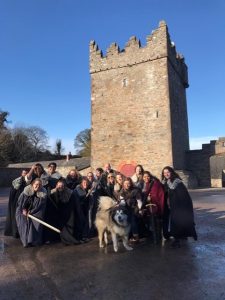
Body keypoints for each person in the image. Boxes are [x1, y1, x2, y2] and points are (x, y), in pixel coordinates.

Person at [161, 166, 198, 248]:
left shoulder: (177, 182)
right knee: (177, 222)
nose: (166, 174)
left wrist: (183, 208)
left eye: (168, 172)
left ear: (171, 172)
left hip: (180, 206)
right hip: (173, 206)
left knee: (176, 222)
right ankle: (181, 236)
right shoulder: (167, 182)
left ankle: (177, 240)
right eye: (164, 173)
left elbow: (184, 196)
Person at [44, 179, 81, 245]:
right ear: (56, 186)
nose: (60, 187)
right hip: (57, 213)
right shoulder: (52, 193)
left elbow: (70, 204)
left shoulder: (69, 193)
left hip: (67, 212)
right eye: (59, 185)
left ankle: (68, 239)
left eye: (62, 185)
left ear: (64, 186)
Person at [16, 178, 47, 247]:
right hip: (22, 211)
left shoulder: (43, 193)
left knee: (36, 224)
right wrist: (24, 210)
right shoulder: (26, 191)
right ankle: (26, 242)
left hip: (36, 212)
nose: (37, 186)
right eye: (36, 184)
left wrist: (31, 212)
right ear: (32, 184)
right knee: (23, 224)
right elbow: (20, 203)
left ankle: (34, 241)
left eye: (39, 185)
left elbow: (40, 206)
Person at [141, 171, 165, 242]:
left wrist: (151, 197)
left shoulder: (155, 184)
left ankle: (157, 238)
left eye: (147, 176)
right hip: (151, 206)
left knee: (156, 222)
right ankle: (155, 237)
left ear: (150, 176)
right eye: (144, 177)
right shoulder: (147, 184)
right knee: (152, 222)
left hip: (156, 206)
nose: (146, 178)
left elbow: (159, 195)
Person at [4, 170, 28, 238]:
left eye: (26, 173)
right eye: (24, 173)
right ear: (22, 173)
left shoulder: (28, 181)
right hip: (16, 201)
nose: (25, 174)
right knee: (15, 217)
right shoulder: (16, 181)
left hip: (24, 201)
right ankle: (15, 233)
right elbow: (12, 192)